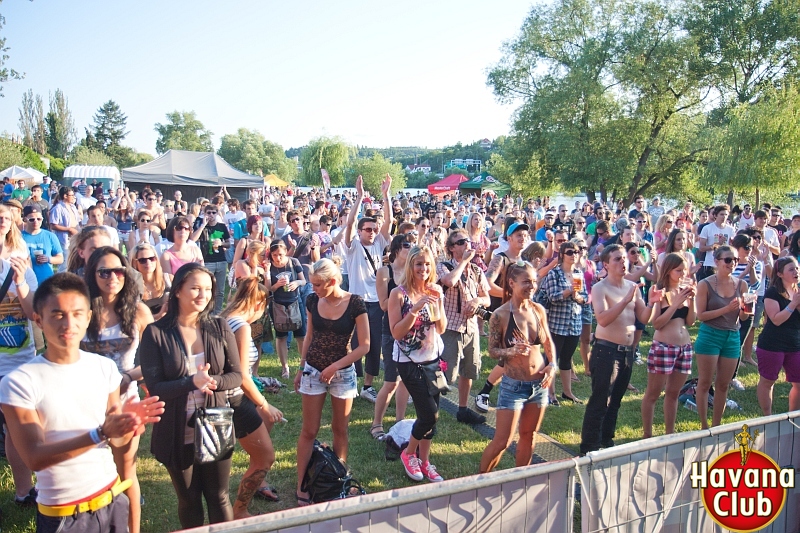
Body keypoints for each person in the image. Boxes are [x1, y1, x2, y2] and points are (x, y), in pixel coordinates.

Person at [0, 273, 164, 533]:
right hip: (64, 514)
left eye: (77, 313)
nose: (69, 323)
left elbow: (115, 442)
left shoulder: (104, 368)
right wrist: (100, 432)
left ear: (88, 317)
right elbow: (34, 457)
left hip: (111, 499)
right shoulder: (18, 382)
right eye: (57, 314)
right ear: (39, 320)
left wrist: (127, 426)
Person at [139, 263, 243, 529]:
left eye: (207, 289)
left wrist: (213, 381)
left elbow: (236, 376)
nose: (202, 295)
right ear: (177, 291)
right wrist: (190, 382)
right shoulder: (156, 333)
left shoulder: (219, 327)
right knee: (189, 499)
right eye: (195, 288)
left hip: (215, 424)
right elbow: (156, 387)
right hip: (176, 430)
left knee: (219, 497)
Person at [80, 247, 154, 533]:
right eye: (104, 272)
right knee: (91, 474)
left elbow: (156, 360)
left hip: (125, 403)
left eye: (118, 270)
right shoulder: (82, 309)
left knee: (126, 472)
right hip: (85, 404)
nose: (113, 277)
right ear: (92, 275)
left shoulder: (138, 311)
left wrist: (128, 376)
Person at [295, 258, 369, 505]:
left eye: (318, 284)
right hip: (313, 370)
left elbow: (365, 346)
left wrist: (335, 366)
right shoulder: (312, 300)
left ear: (333, 281)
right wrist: (301, 367)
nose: (313, 289)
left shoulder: (355, 303)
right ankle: (301, 485)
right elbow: (309, 336)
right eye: (312, 284)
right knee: (309, 430)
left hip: (343, 373)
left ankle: (339, 480)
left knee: (340, 430)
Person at [579, 244, 659, 455]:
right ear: (606, 264)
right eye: (617, 259)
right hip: (606, 351)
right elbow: (603, 320)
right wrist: (625, 300)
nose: (623, 262)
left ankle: (607, 440)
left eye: (624, 258)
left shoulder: (632, 287)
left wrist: (652, 303)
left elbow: (643, 318)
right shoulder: (600, 288)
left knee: (616, 400)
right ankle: (589, 446)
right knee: (600, 399)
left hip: (627, 352)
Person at [479, 261, 556, 472]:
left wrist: (553, 365)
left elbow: (548, 341)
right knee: (502, 442)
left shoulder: (538, 310)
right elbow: (492, 350)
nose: (531, 286)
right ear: (512, 283)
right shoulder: (500, 315)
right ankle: (479, 481)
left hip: (539, 385)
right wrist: (510, 352)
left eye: (534, 282)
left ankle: (521, 479)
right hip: (513, 387)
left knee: (529, 435)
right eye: (526, 282)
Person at [220, 279, 283, 518]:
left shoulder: (224, 317)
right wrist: (264, 404)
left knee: (264, 432)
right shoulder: (242, 327)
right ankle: (240, 511)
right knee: (266, 457)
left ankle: (259, 481)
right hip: (236, 399)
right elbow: (243, 376)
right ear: (258, 303)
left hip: (229, 398)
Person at [388, 246, 447, 483]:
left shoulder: (435, 291)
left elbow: (440, 328)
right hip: (409, 361)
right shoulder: (398, 294)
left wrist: (438, 303)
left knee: (433, 414)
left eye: (427, 264)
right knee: (429, 414)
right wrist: (414, 309)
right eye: (419, 264)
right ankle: (409, 453)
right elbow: (396, 332)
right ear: (411, 266)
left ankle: (425, 461)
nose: (423, 269)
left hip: (433, 359)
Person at [339, 175, 392, 402]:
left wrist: (386, 196)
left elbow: (388, 223)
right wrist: (359, 198)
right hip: (356, 301)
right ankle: (351, 378)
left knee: (374, 343)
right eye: (367, 229)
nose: (371, 232)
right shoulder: (352, 246)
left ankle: (368, 385)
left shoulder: (380, 242)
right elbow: (349, 223)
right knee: (354, 343)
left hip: (377, 301)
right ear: (360, 231)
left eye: (374, 229)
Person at [437, 229, 491, 424]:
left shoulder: (476, 271)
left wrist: (477, 301)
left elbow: (487, 298)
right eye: (461, 242)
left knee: (469, 370)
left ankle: (462, 409)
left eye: (468, 241)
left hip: (471, 327)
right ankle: (430, 405)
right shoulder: (443, 266)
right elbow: (450, 281)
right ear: (451, 248)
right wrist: (464, 262)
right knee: (446, 374)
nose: (467, 244)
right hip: (450, 327)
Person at [694, 246, 751, 429]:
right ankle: (704, 426)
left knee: (723, 385)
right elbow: (701, 316)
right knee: (704, 382)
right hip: (710, 334)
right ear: (717, 261)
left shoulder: (742, 284)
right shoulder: (705, 284)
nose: (732, 263)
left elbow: (743, 317)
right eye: (728, 260)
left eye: (735, 260)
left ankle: (717, 425)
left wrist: (746, 309)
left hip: (732, 336)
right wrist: (726, 309)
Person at [641, 253, 696, 438]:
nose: (682, 274)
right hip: (664, 346)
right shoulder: (659, 291)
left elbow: (691, 321)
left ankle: (669, 434)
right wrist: (675, 304)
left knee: (673, 393)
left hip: (685, 347)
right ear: (668, 270)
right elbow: (656, 323)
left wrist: (692, 300)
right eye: (678, 270)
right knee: (653, 393)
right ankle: (647, 434)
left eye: (684, 270)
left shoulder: (684, 290)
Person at [370, 234, 414, 440]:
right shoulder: (384, 272)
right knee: (390, 381)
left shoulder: (413, 272)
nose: (411, 248)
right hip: (390, 331)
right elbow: (383, 305)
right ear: (397, 248)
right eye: (407, 245)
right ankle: (376, 424)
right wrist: (401, 290)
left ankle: (399, 422)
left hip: (411, 331)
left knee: (405, 380)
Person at [542, 241, 587, 404]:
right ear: (562, 255)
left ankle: (568, 393)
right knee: (552, 359)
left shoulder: (578, 274)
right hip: (557, 324)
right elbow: (552, 296)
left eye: (576, 252)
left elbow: (585, 297)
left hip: (574, 324)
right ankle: (550, 394)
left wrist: (579, 298)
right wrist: (568, 292)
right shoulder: (554, 274)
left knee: (567, 359)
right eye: (570, 252)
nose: (574, 255)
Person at [754, 257, 800, 415]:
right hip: (772, 345)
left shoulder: (798, 291)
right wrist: (793, 304)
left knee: (799, 382)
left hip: (795, 344)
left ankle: (793, 416)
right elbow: (776, 319)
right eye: (791, 269)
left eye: (797, 268)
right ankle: (768, 417)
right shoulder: (772, 292)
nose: (796, 272)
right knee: (768, 380)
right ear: (780, 274)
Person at [266, 240, 306, 378]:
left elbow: (304, 280)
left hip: (295, 301)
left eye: (281, 254)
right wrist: (277, 285)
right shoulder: (268, 267)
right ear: (271, 254)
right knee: (281, 336)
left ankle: (304, 365)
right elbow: (268, 289)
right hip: (277, 304)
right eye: (275, 255)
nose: (278, 258)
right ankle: (285, 367)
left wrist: (296, 283)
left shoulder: (294, 262)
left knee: (301, 336)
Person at [190, 204, 230, 314]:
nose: (211, 215)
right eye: (209, 213)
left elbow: (229, 244)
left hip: (221, 260)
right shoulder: (201, 226)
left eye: (213, 212)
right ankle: (206, 312)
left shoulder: (222, 226)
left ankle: (217, 313)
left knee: (220, 291)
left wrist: (221, 243)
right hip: (207, 261)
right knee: (208, 288)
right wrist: (203, 225)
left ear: (217, 214)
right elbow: (193, 239)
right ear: (204, 213)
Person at [21, 205, 63, 284]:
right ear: (25, 219)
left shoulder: (50, 236)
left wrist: (48, 259)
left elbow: (60, 259)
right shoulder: (19, 237)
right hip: (25, 280)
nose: (36, 221)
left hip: (46, 281)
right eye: (32, 219)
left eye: (39, 219)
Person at [131, 243, 170, 319]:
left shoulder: (169, 279)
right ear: (135, 263)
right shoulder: (131, 286)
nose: (148, 263)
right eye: (142, 260)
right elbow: (134, 318)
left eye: (152, 259)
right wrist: (159, 316)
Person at [697, 205, 735, 281]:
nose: (724, 217)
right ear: (715, 215)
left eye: (726, 215)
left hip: (725, 264)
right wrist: (717, 244)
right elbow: (701, 248)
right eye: (721, 214)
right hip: (710, 264)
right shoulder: (707, 228)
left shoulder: (730, 229)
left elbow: (733, 247)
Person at [160, 216, 204, 281]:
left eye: (186, 228)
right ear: (172, 230)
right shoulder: (166, 256)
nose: (183, 231)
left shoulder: (196, 250)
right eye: (179, 228)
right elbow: (169, 281)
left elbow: (202, 274)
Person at [48, 187, 80, 272]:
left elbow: (77, 221)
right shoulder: (58, 208)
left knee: (75, 262)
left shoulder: (73, 207)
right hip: (64, 239)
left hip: (75, 237)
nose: (73, 197)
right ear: (65, 196)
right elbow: (53, 225)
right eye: (72, 195)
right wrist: (69, 229)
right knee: (64, 264)